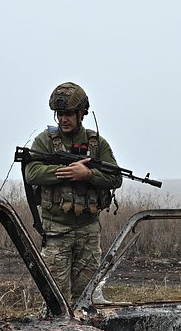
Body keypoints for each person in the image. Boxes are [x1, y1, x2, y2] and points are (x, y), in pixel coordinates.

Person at [23, 82, 123, 304]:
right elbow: (32, 172)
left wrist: (87, 176)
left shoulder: (96, 143)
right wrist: (67, 172)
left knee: (86, 298)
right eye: (59, 114)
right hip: (57, 230)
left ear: (81, 113)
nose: (63, 119)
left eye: (68, 114)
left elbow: (116, 177)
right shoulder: (45, 141)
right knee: (55, 300)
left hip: (88, 231)